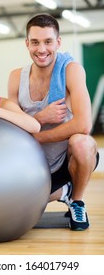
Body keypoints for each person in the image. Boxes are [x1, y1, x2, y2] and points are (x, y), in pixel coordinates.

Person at [8, 13, 99, 231]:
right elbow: (11, 127)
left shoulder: (71, 70)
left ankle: (76, 200)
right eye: (35, 42)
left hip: (65, 161)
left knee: (81, 142)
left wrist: (36, 136)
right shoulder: (15, 77)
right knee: (13, 209)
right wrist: (40, 118)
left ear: (58, 42)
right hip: (33, 165)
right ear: (27, 43)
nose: (42, 49)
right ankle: (64, 192)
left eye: (48, 41)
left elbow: (84, 124)